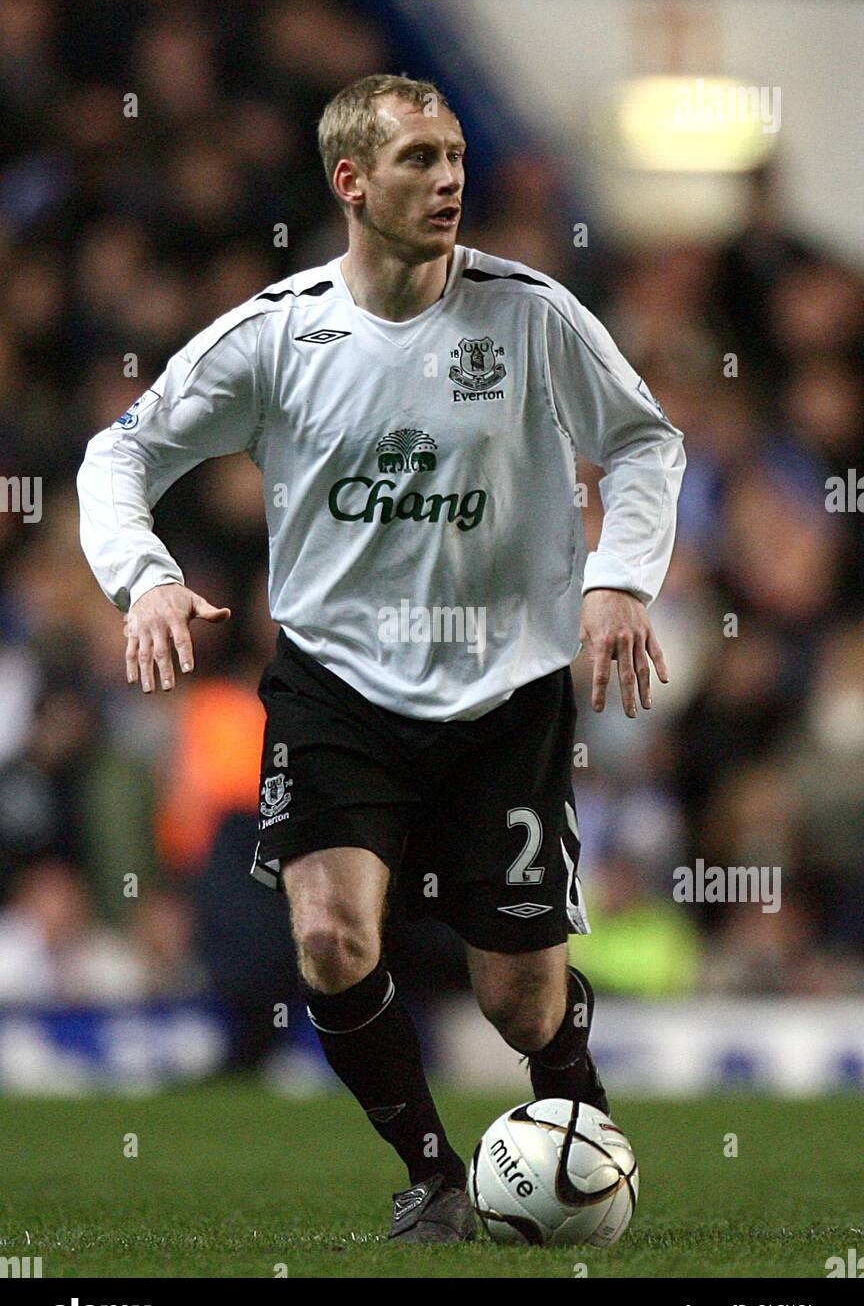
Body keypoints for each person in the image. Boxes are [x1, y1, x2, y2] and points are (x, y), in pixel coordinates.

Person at [77, 74, 685, 1243]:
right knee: (330, 934)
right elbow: (122, 454)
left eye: (454, 155)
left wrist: (618, 580)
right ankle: (431, 1176)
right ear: (351, 181)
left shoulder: (534, 316)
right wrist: (144, 578)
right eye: (418, 160)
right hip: (338, 686)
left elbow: (646, 440)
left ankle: (572, 1093)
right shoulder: (279, 334)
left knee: (516, 995)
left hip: (507, 690)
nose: (448, 178)